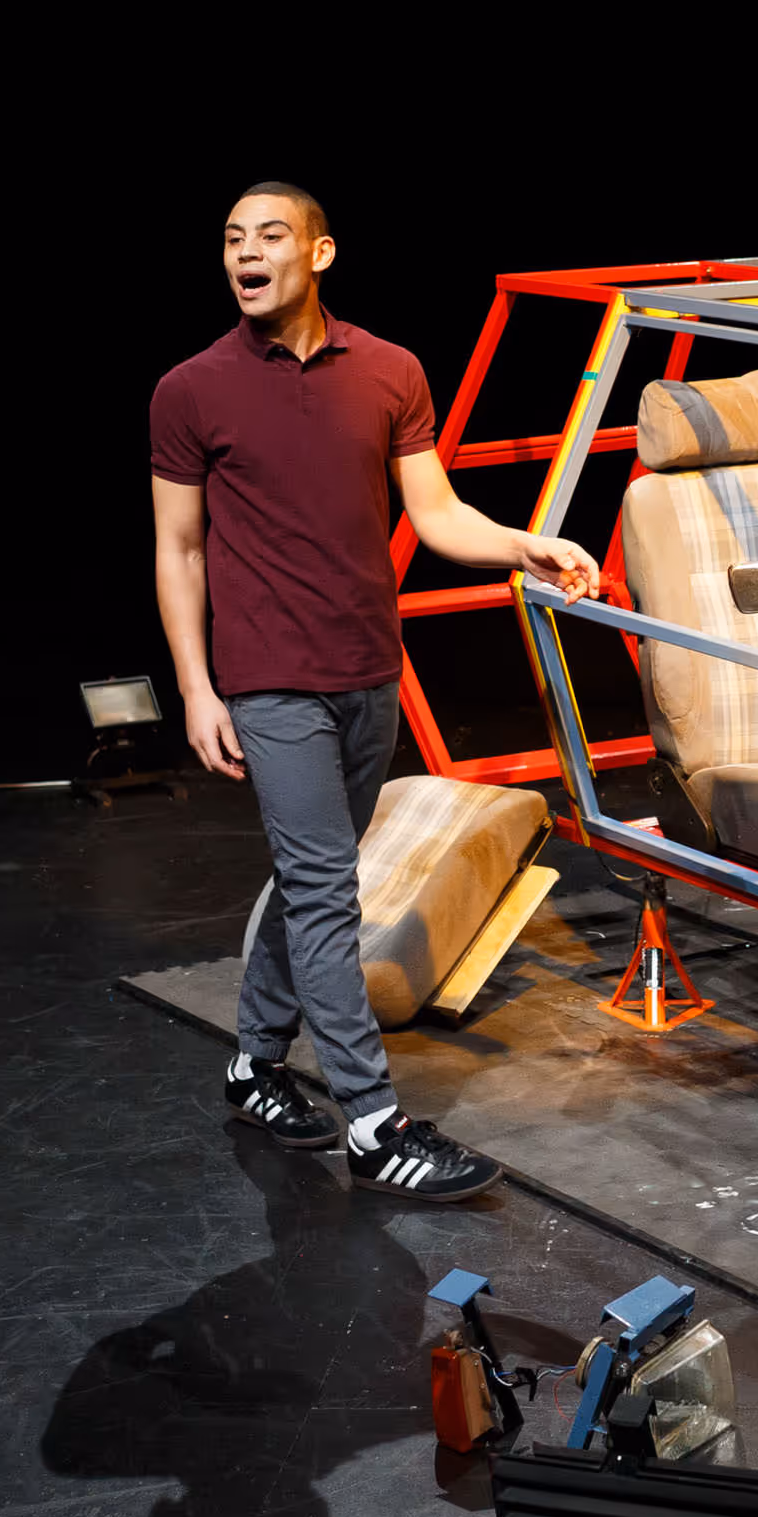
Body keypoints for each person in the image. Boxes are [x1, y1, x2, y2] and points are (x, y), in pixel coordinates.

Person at [149, 180, 603, 1186]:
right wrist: (195, 686)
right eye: (231, 240)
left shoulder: (390, 371)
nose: (245, 254)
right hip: (269, 678)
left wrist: (525, 546)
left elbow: (434, 514)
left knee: (311, 879)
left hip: (368, 669)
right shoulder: (190, 390)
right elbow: (176, 549)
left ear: (319, 253)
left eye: (268, 236)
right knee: (323, 889)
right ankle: (373, 1125)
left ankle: (254, 1062)